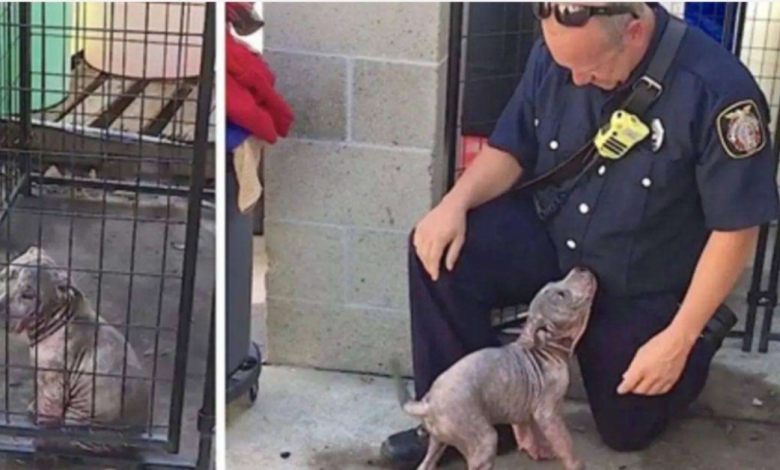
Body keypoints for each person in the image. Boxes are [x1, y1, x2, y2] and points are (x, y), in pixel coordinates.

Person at [381, 2, 780, 467]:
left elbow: (736, 227)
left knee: (627, 428)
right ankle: (464, 420)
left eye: (589, 68)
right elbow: (511, 146)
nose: (574, 81)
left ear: (633, 32)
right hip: (555, 236)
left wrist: (680, 337)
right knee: (440, 251)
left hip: (637, 274)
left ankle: (694, 346)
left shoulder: (719, 93)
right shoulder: (558, 53)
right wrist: (454, 204)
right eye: (563, 65)